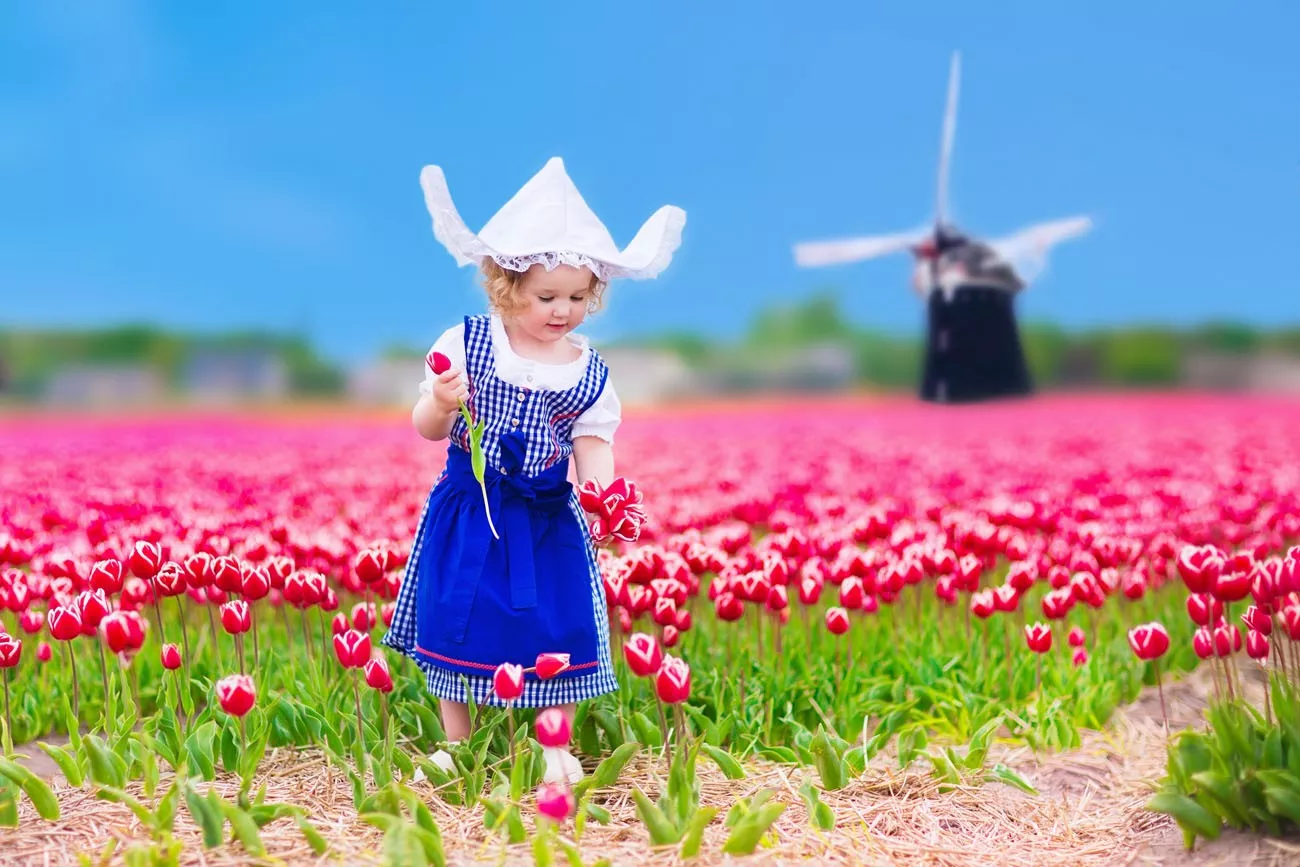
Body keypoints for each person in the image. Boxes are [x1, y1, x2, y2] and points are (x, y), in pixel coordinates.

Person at [382, 157, 685, 784]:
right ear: (506, 286)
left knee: (558, 620)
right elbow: (427, 426)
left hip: (548, 517)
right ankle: (458, 741)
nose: (562, 310)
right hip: (472, 508)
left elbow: (592, 448)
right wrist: (439, 402)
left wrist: (605, 500)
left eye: (578, 297)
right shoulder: (468, 343)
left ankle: (555, 745)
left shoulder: (587, 370)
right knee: (456, 615)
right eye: (547, 296)